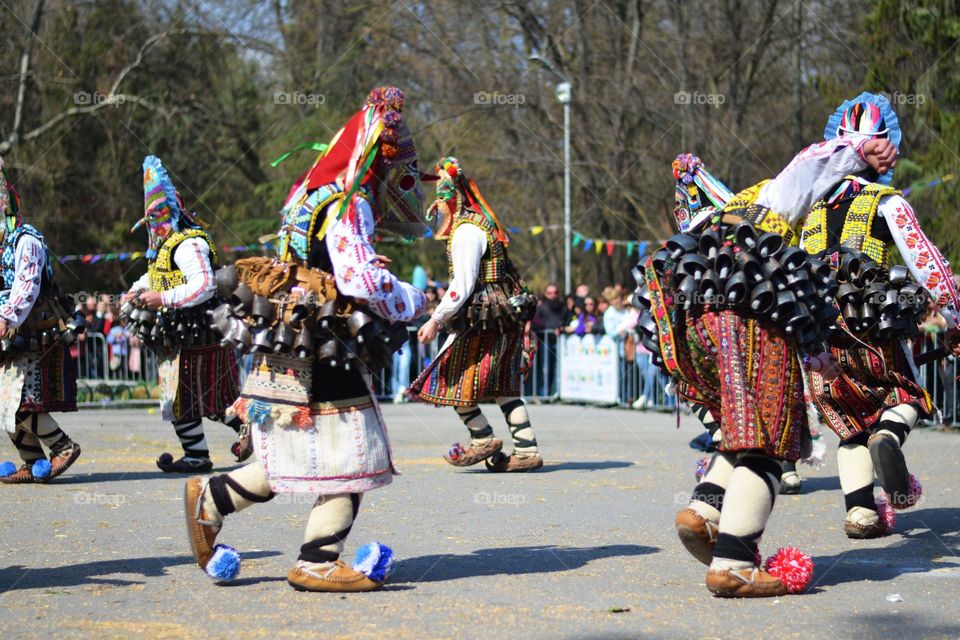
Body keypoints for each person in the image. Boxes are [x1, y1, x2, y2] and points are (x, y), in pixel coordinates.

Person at [184, 86, 428, 592]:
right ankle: (316, 561)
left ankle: (212, 498)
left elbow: (317, 262)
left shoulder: (308, 192)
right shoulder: (349, 200)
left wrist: (351, 266)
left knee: (294, 447)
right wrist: (412, 298)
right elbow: (361, 281)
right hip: (328, 342)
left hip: (292, 335)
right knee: (353, 452)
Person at [638, 134, 897, 597]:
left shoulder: (720, 213)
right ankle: (734, 564)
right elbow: (806, 168)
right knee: (772, 442)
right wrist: (858, 151)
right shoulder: (772, 197)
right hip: (747, 317)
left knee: (745, 428)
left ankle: (704, 511)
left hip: (696, 319)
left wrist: (819, 359)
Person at [801, 93, 960, 537]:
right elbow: (928, 264)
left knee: (847, 420)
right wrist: (956, 318)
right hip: (873, 320)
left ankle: (861, 512)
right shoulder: (886, 201)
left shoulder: (807, 207)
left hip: (818, 330)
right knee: (905, 395)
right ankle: (888, 437)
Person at [410, 156, 542, 472]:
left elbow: (463, 283)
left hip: (484, 316)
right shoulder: (478, 224)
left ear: (452, 198)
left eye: (441, 197)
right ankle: (526, 449)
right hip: (498, 313)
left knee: (449, 375)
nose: (436, 205)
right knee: (502, 384)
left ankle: (483, 438)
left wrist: (436, 319)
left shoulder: (467, 231)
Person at [123, 156, 249, 473]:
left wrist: (162, 298)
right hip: (178, 336)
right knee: (177, 398)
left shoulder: (189, 243)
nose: (152, 224)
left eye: (156, 216)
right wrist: (136, 291)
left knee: (214, 398)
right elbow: (156, 276)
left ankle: (256, 433)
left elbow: (204, 285)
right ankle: (196, 456)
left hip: (202, 331)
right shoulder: (165, 246)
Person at [0, 157, 82, 484]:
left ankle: (63, 447)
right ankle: (32, 461)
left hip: (34, 330)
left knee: (20, 403)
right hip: (11, 334)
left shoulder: (26, 240)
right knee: (5, 404)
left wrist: (7, 316)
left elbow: (27, 284)